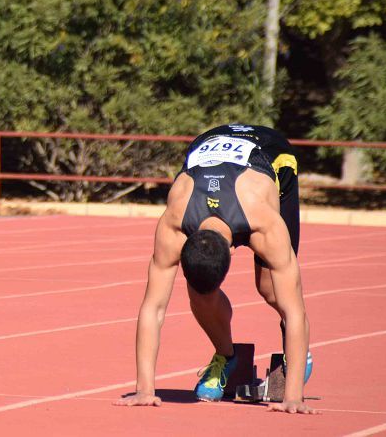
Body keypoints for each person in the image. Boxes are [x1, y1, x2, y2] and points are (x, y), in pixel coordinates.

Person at [116, 123, 316, 414]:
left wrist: (293, 396)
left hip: (270, 153)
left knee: (272, 290)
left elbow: (296, 310)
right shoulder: (174, 221)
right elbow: (153, 307)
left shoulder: (263, 223)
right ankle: (226, 356)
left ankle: (298, 356)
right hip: (208, 145)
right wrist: (145, 390)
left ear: (234, 251)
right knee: (201, 291)